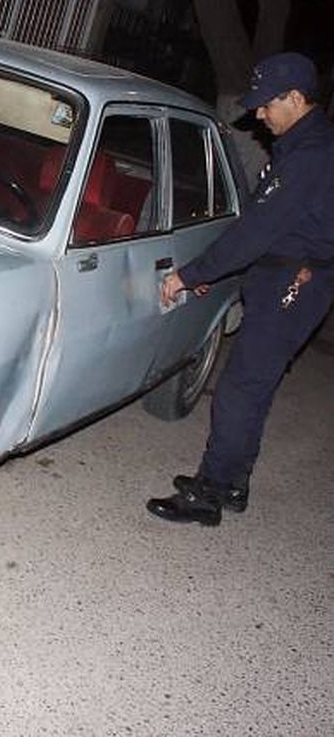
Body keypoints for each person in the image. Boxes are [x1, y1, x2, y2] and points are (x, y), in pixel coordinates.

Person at [147, 52, 334, 525]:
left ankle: (209, 494)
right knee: (253, 386)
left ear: (295, 98)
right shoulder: (301, 148)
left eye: (266, 105)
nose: (258, 114)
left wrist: (191, 274)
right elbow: (263, 229)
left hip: (292, 282)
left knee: (240, 389)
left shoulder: (312, 156)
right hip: (281, 274)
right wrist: (221, 273)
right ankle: (231, 481)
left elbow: (257, 233)